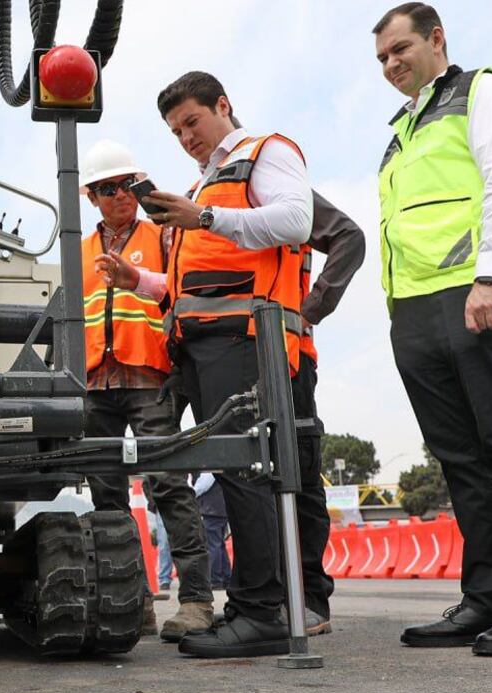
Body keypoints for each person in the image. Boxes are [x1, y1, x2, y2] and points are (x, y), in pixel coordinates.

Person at [97, 70, 314, 658]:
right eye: (175, 130)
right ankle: (250, 606)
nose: (185, 136)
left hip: (242, 337)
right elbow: (189, 282)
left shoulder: (265, 151)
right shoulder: (207, 182)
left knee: (245, 470)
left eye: (192, 122)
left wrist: (206, 218)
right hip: (200, 342)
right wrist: (137, 279)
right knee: (226, 468)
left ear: (224, 105)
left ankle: (261, 611)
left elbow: (298, 221)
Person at [373, 3, 492, 656]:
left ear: (436, 40)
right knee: (461, 460)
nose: (391, 64)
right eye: (381, 59)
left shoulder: (481, 89)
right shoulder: (399, 130)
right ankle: (485, 598)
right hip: (415, 309)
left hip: (478, 290)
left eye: (400, 49)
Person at [77, 139, 214, 641]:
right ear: (92, 195)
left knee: (168, 486)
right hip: (96, 383)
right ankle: (133, 603)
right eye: (109, 188)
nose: (122, 195)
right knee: (107, 498)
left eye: (129, 185)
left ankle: (197, 600)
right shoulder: (82, 250)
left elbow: (176, 288)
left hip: (150, 377)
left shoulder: (161, 236)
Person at [290, 191, 367, 636]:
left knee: (299, 477)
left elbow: (348, 237)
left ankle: (310, 598)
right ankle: (261, 600)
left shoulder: (274, 179)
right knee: (248, 484)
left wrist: (311, 309)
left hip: (289, 356)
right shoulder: (202, 197)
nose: (187, 140)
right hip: (227, 358)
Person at [192, 472, 230, 590]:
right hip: (221, 510)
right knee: (220, 546)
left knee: (213, 546)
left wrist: (189, 494)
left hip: (211, 511)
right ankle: (226, 578)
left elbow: (200, 487)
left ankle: (216, 579)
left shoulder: (209, 470)